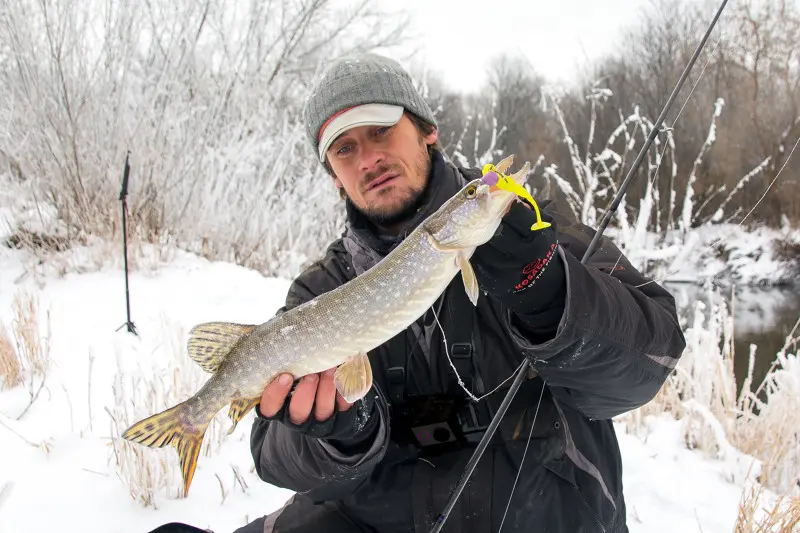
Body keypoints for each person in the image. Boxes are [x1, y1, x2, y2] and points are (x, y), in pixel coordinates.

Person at [235, 53, 687, 533]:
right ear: (333, 174)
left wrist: (549, 290)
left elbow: (651, 364)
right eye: (345, 149)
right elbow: (271, 452)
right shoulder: (322, 288)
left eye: (381, 131)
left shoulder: (533, 230)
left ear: (427, 129)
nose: (369, 160)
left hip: (546, 512)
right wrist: (342, 435)